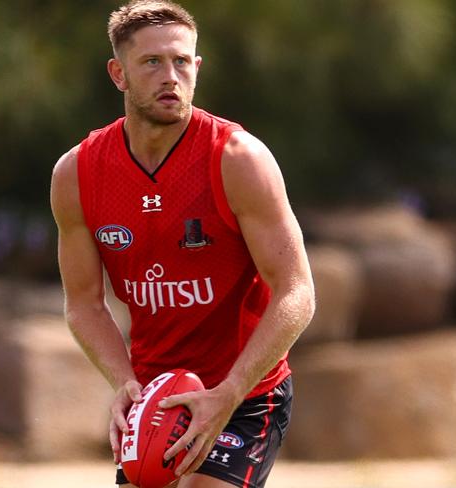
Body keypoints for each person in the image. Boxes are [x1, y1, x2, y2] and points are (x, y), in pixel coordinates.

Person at [50, 1, 315, 486]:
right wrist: (124, 384)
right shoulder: (77, 173)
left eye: (181, 61)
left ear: (197, 67)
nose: (170, 76)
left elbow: (296, 292)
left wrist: (229, 393)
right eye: (151, 62)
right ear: (119, 73)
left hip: (247, 394)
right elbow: (84, 304)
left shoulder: (238, 158)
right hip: (155, 398)